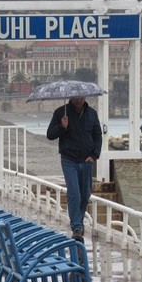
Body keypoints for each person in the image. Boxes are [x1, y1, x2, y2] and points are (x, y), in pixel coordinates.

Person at [46, 96, 102, 242]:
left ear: (84, 98)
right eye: (76, 98)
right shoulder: (61, 113)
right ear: (71, 98)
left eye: (81, 98)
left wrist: (94, 155)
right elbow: (50, 134)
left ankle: (78, 224)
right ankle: (76, 227)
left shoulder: (92, 114)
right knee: (74, 194)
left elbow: (97, 135)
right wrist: (62, 127)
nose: (79, 101)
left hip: (87, 160)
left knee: (85, 195)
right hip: (69, 159)